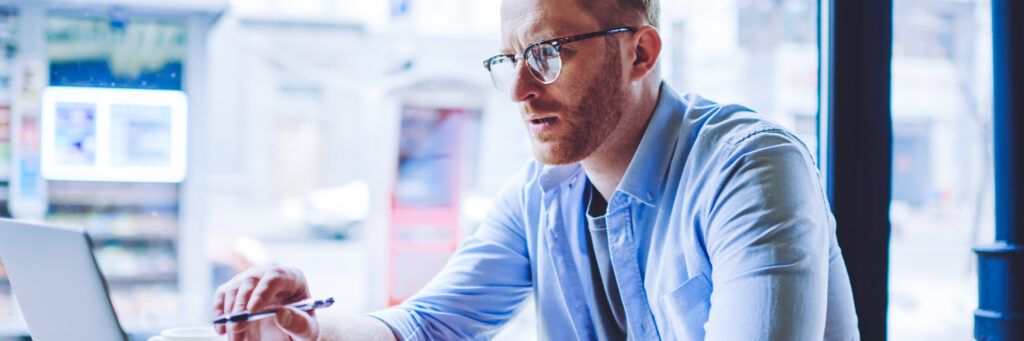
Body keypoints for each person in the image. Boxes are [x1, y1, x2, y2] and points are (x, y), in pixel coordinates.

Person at [213, 0, 861, 339]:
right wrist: (306, 328)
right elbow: (426, 324)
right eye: (509, 59)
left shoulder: (748, 167)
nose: (520, 89)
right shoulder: (544, 195)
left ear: (641, 51)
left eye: (548, 52)